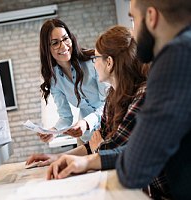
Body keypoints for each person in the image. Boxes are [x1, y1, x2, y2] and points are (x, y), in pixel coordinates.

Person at [47, 0, 191, 199]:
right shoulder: (112, 95)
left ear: (151, 17)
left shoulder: (175, 59)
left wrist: (97, 151)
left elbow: (134, 164)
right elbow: (131, 152)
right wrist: (85, 157)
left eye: (133, 19)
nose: (132, 33)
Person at [29, 25, 170, 199]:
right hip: (126, 172)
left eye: (96, 58)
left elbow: (113, 148)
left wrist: (97, 146)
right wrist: (58, 156)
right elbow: (97, 143)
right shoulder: (112, 96)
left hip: (160, 191)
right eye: (55, 43)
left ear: (109, 62)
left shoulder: (142, 95)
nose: (94, 62)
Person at [38, 19, 108, 144]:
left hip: (111, 129)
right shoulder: (54, 79)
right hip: (87, 137)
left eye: (65, 39)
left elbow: (108, 104)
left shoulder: (93, 62)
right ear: (46, 48)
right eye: (55, 43)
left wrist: (86, 123)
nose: (64, 46)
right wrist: (53, 131)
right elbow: (66, 117)